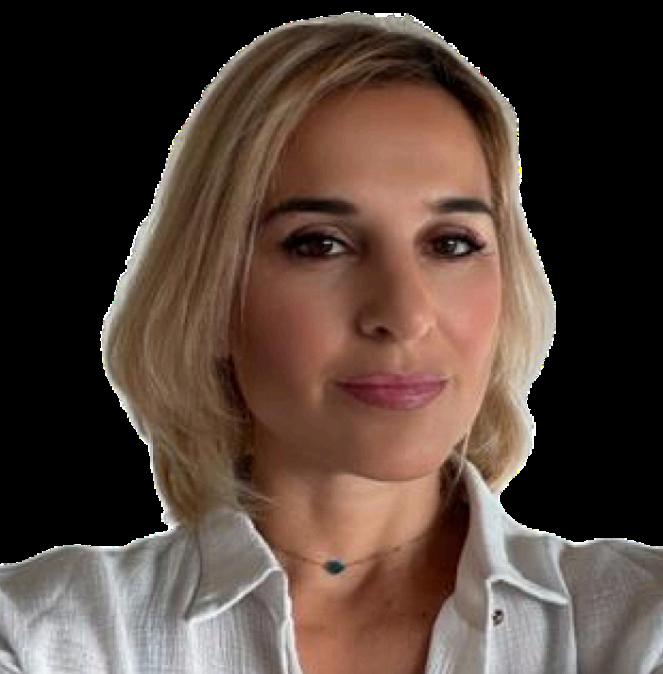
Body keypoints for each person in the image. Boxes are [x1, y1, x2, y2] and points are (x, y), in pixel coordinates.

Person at [1, 13, 662, 674]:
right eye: (321, 244)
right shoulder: (45, 636)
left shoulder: (639, 620)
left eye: (451, 244)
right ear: (211, 292)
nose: (404, 315)